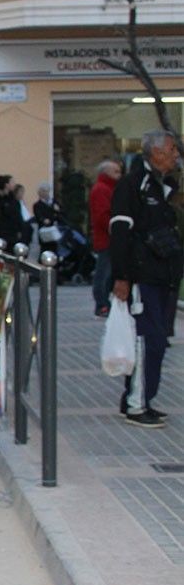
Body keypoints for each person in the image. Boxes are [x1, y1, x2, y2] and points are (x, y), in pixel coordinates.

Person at [110, 130, 182, 429]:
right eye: (173, 149)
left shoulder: (163, 185)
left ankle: (141, 398)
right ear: (157, 153)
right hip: (142, 277)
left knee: (157, 341)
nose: (176, 155)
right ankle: (136, 404)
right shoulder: (134, 185)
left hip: (163, 276)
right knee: (146, 341)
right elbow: (120, 232)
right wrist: (122, 276)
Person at [89, 159, 122, 317]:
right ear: (106, 173)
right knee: (104, 273)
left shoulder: (110, 188)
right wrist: (116, 228)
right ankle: (101, 304)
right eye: (116, 172)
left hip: (110, 237)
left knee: (108, 273)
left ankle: (104, 303)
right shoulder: (102, 189)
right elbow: (102, 215)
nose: (119, 175)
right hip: (107, 238)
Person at [0, 176, 24, 248]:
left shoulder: (13, 199)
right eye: (12, 182)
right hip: (2, 233)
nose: (14, 184)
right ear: (6, 185)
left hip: (13, 233)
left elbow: (18, 216)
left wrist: (20, 229)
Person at [33, 182, 63, 257]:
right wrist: (44, 220)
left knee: (54, 250)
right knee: (45, 251)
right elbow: (39, 217)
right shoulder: (37, 205)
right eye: (44, 191)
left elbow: (61, 214)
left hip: (54, 231)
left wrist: (58, 210)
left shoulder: (54, 203)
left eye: (47, 191)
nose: (46, 193)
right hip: (44, 232)